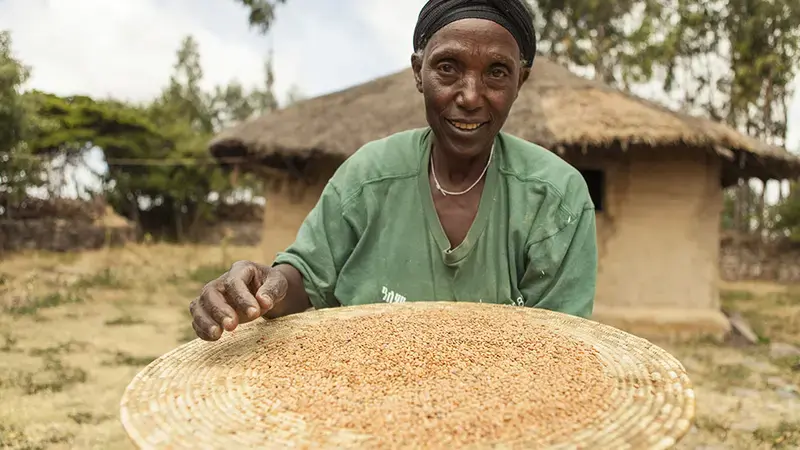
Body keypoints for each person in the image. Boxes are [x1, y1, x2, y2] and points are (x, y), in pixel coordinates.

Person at [189, 0, 598, 342]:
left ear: (521, 81)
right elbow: (306, 280)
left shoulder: (556, 198)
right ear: (419, 73)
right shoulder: (368, 176)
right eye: (448, 68)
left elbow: (556, 345)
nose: (470, 96)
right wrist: (266, 284)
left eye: (496, 72)